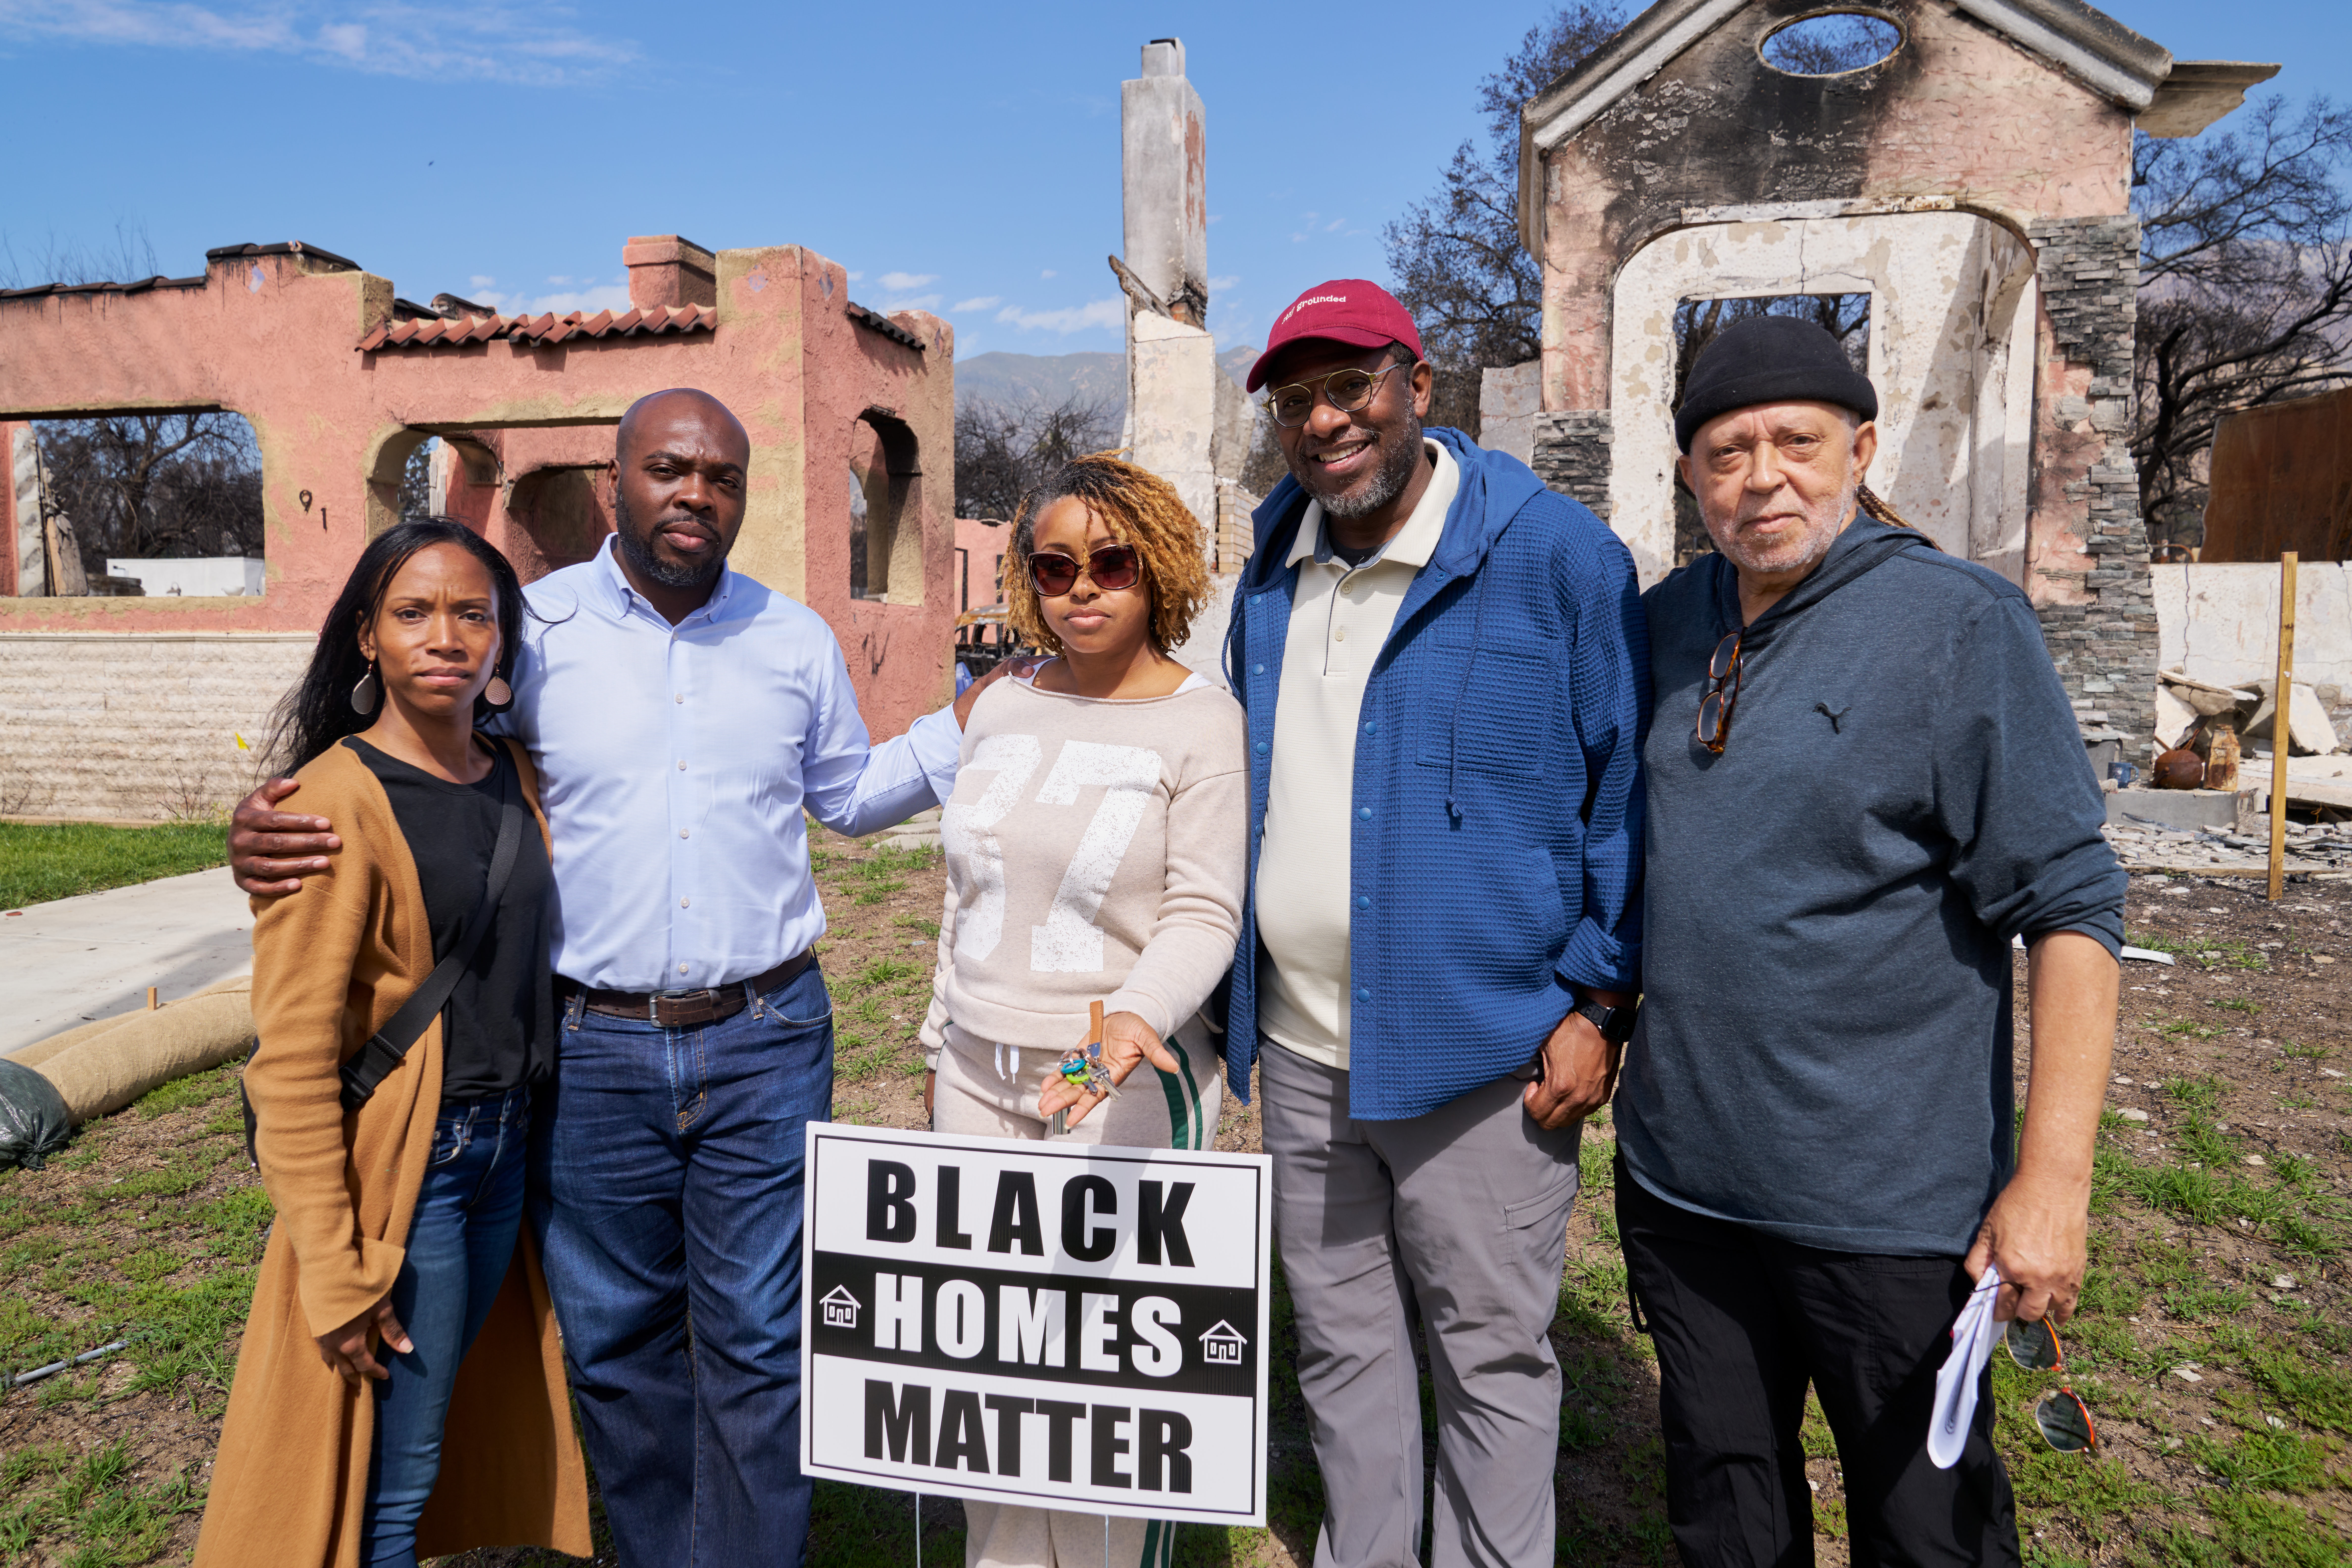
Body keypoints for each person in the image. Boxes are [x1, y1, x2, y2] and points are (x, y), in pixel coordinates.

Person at [227, 390, 1013, 1566]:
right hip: (590, 1047)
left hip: (766, 1033)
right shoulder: (523, 631)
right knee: (615, 1344)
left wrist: (971, 723)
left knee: (759, 1337)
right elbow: (432, 774)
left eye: (724, 477)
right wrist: (265, 832)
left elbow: (846, 798)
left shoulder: (791, 638)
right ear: (616, 485)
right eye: (669, 468)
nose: (697, 493)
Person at [1616, 315, 2123, 1566]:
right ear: (1691, 477)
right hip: (1687, 1186)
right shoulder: (1669, 627)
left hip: (1890, 1208)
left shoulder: (1959, 627)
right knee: (1727, 1516)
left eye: (1796, 441)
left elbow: (2069, 909)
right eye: (1726, 453)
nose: (1763, 477)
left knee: (1927, 1530)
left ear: (1861, 448)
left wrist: (2052, 1184)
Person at [1221, 280, 1649, 1568]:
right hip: (1303, 1054)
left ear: (1417, 382)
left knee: (1490, 1356)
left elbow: (1618, 798)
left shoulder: (1557, 558)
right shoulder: (1272, 566)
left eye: (1350, 386)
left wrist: (1601, 1004)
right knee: (1342, 1347)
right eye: (1296, 402)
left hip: (1484, 1061)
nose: (1324, 421)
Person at [196, 518, 588, 1568]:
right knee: (391, 1474)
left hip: (508, 1151)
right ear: (366, 637)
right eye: (412, 612)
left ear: (504, 643)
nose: (446, 636)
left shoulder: (519, 778)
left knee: (446, 1430)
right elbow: (286, 1061)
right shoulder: (331, 805)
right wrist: (334, 1267)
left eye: (474, 614)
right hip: (415, 1175)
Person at [920, 450, 1245, 1568]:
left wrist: (1130, 1020)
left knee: (1105, 1388)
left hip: (1116, 1093)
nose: (1084, 588)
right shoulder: (1000, 703)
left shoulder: (1204, 722)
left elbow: (1206, 911)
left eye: (1111, 562)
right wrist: (937, 1040)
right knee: (995, 1376)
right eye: (1055, 567)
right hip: (974, 1078)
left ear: (1155, 568)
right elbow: (965, 894)